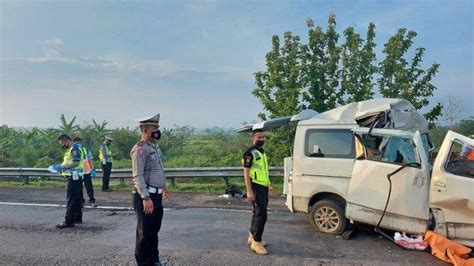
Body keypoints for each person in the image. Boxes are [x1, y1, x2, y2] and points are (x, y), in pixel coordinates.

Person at [131, 113, 170, 266]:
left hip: (156, 195)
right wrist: (145, 198)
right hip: (146, 196)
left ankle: (154, 261)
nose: (157, 130)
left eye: (157, 127)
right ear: (145, 130)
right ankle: (143, 263)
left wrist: (164, 187)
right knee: (144, 233)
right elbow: (138, 175)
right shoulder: (140, 149)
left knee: (154, 232)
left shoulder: (154, 147)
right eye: (154, 127)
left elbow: (158, 169)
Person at [242, 129, 275, 255]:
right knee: (261, 214)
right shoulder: (249, 153)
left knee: (257, 212)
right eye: (258, 137)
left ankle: (252, 235)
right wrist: (249, 190)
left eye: (263, 137)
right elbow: (246, 172)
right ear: (253, 139)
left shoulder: (261, 152)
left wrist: (269, 184)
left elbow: (264, 171)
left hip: (263, 186)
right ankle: (256, 241)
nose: (261, 139)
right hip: (255, 186)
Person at [49, 134, 84, 228]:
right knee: (76, 199)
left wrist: (61, 167)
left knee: (71, 200)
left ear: (66, 141)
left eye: (62, 144)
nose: (62, 146)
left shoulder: (74, 149)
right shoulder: (71, 149)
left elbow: (75, 162)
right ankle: (77, 218)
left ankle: (69, 221)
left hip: (73, 177)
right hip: (75, 177)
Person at [73, 137, 97, 208]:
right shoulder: (72, 150)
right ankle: (81, 202)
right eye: (77, 143)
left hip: (86, 171)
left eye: (79, 143)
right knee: (79, 188)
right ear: (73, 143)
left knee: (89, 187)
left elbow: (90, 159)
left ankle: (92, 201)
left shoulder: (85, 150)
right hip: (78, 172)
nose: (78, 144)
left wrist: (93, 169)